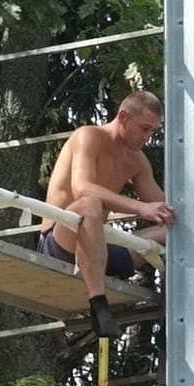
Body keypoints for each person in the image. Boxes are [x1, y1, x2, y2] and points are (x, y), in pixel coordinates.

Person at [40, 91, 175, 342]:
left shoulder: (137, 161)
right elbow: (82, 188)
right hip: (61, 242)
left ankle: (172, 323)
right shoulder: (89, 136)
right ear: (123, 117)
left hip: (99, 249)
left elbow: (166, 209)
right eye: (144, 128)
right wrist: (140, 208)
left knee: (174, 229)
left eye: (153, 131)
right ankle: (99, 305)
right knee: (89, 203)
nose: (147, 137)